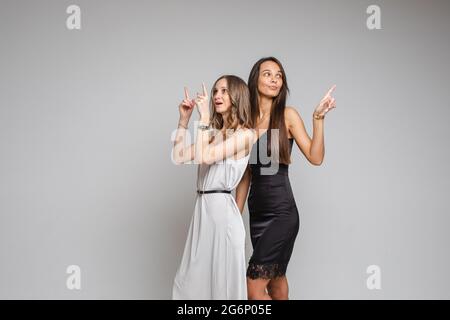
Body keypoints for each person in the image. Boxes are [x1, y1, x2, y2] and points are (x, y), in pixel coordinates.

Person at [235, 57, 337, 300]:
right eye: (267, 74)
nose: (274, 79)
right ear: (255, 79)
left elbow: (315, 157)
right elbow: (246, 175)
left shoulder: (287, 116)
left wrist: (318, 119)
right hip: (257, 214)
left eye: (278, 75)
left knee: (254, 287)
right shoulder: (245, 122)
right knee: (276, 285)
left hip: (282, 213)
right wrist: (234, 215)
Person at [172, 75, 256, 299]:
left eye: (224, 91)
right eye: (215, 91)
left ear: (237, 96)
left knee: (222, 288)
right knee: (189, 284)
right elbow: (179, 156)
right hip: (202, 209)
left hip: (221, 212)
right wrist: (184, 120)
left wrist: (205, 118)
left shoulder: (246, 134)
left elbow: (205, 157)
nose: (217, 95)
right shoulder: (213, 134)